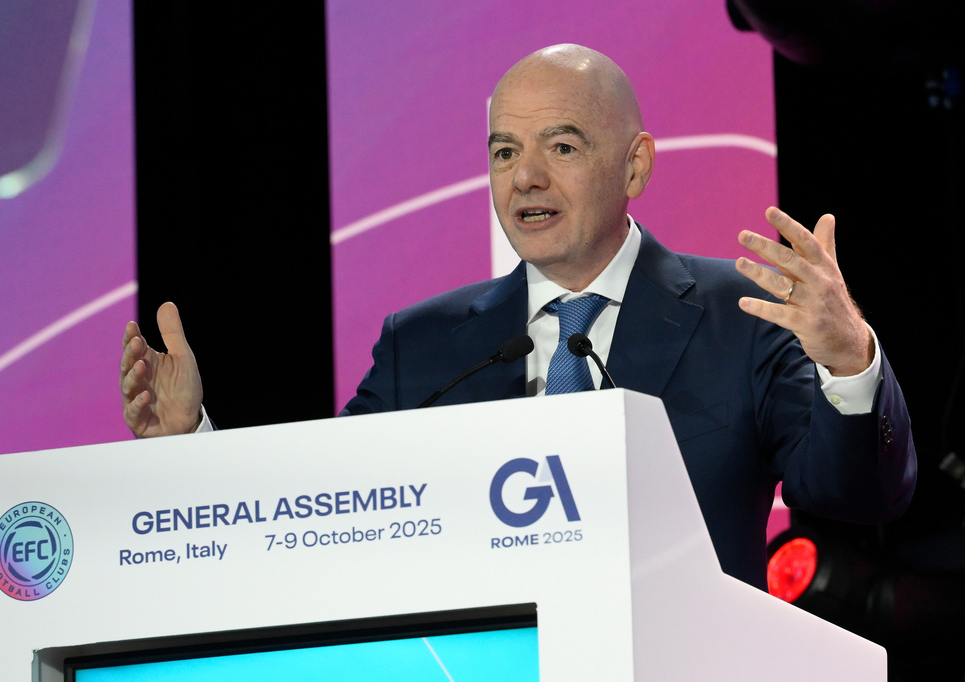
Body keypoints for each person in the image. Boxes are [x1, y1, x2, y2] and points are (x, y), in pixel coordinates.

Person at [120, 44, 916, 589]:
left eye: (561, 148)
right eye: (504, 152)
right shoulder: (423, 346)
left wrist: (850, 362)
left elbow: (856, 495)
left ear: (634, 165)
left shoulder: (740, 318)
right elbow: (322, 518)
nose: (525, 178)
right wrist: (190, 447)